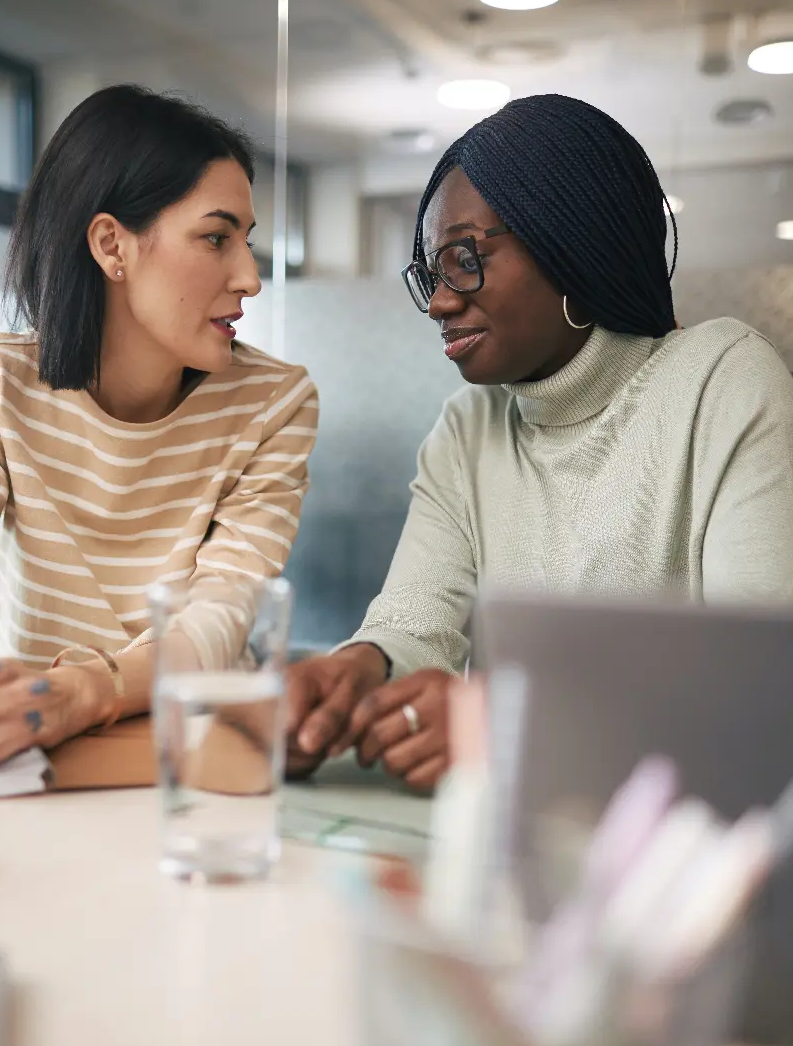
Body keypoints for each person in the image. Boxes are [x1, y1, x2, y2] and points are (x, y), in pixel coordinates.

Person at [286, 92, 793, 791]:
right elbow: (414, 625)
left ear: (573, 244)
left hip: (674, 861)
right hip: (513, 851)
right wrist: (351, 671)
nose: (438, 300)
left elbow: (764, 688)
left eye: (464, 258)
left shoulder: (723, 382)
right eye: (432, 273)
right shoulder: (468, 429)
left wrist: (514, 722)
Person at [0, 84, 318, 773]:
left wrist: (85, 692)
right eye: (216, 238)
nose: (249, 277)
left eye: (247, 241)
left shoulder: (273, 402)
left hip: (198, 754)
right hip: (29, 755)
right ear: (111, 244)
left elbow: (224, 615)